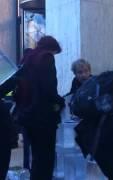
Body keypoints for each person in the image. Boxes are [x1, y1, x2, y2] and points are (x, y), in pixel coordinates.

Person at [14, 36, 65, 180]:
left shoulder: (27, 57)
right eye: (55, 53)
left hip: (26, 115)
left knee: (36, 155)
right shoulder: (46, 58)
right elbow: (48, 88)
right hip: (43, 117)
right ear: (52, 49)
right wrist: (60, 102)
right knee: (46, 157)